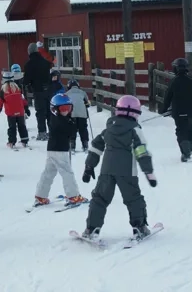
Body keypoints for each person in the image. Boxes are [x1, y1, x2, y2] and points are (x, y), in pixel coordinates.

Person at [80, 95, 156, 241]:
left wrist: (89, 166)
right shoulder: (135, 130)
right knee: (133, 198)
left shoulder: (109, 129)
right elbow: (141, 151)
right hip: (127, 171)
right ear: (135, 113)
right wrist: (149, 172)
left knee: (100, 199)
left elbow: (96, 146)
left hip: (106, 170)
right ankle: (139, 227)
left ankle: (91, 228)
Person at [33, 93, 86, 207]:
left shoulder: (57, 118)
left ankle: (41, 195)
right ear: (55, 109)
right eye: (63, 109)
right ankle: (73, 196)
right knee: (67, 172)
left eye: (68, 108)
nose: (66, 111)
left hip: (53, 149)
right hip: (60, 150)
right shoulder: (60, 121)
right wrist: (72, 124)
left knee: (49, 172)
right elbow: (70, 132)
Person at [159, 58, 192, 162]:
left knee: (180, 130)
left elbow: (168, 97)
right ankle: (188, 148)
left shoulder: (173, 82)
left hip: (177, 111)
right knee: (189, 129)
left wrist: (163, 109)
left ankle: (185, 151)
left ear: (175, 68)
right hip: (189, 111)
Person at [24, 42, 52, 140]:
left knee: (40, 112)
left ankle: (42, 132)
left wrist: (29, 86)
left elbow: (26, 80)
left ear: (29, 52)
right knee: (49, 111)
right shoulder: (45, 62)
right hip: (48, 90)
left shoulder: (29, 64)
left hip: (38, 90)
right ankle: (51, 131)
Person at [0, 70, 30, 149]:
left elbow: (0, 101)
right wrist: (26, 108)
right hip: (20, 112)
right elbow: (23, 99)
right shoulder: (17, 88)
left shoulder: (3, 90)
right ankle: (24, 140)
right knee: (22, 126)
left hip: (11, 113)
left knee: (12, 127)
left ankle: (12, 141)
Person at [65, 79, 91, 153]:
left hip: (71, 114)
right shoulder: (83, 93)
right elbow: (88, 103)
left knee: (72, 129)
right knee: (83, 129)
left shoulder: (67, 94)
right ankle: (85, 145)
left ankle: (72, 146)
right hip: (82, 114)